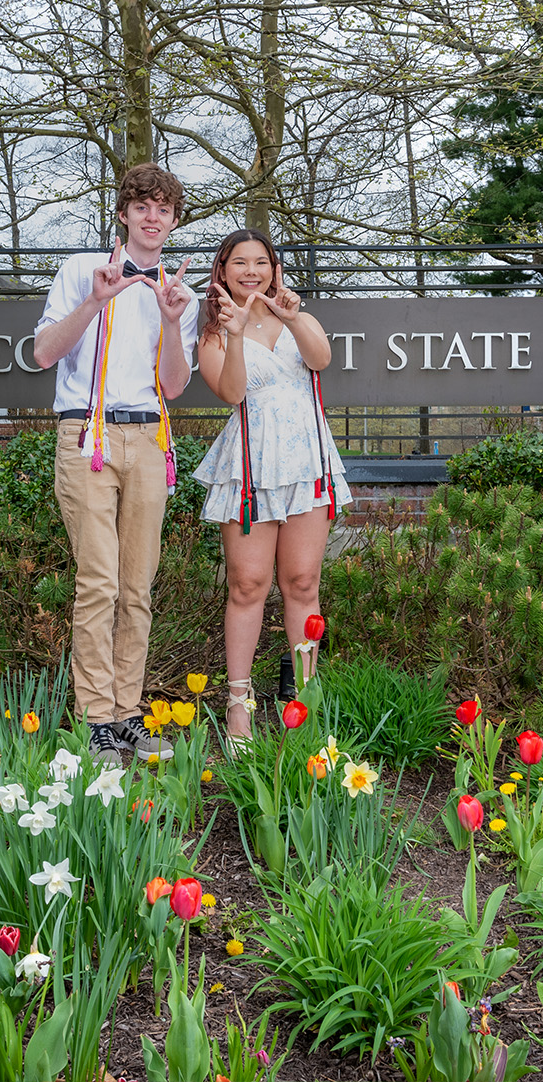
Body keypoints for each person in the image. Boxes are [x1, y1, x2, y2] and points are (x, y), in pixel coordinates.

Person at [32, 163, 200, 764]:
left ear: (174, 220)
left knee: (137, 587)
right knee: (98, 581)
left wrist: (176, 322)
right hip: (90, 435)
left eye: (164, 209)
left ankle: (127, 714)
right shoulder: (83, 270)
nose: (153, 217)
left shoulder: (179, 289)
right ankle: (96, 717)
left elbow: (177, 386)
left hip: (151, 440)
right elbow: (42, 352)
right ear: (125, 213)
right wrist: (96, 301)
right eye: (142, 206)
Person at [192, 228, 350, 744]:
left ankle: (305, 703)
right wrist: (236, 333)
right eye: (240, 263)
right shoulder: (213, 335)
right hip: (251, 466)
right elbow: (231, 391)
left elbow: (321, 359)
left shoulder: (297, 315)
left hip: (307, 461)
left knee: (303, 583)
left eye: (262, 261)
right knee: (247, 584)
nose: (252, 271)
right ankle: (239, 704)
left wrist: (292, 316)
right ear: (223, 271)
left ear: (275, 268)